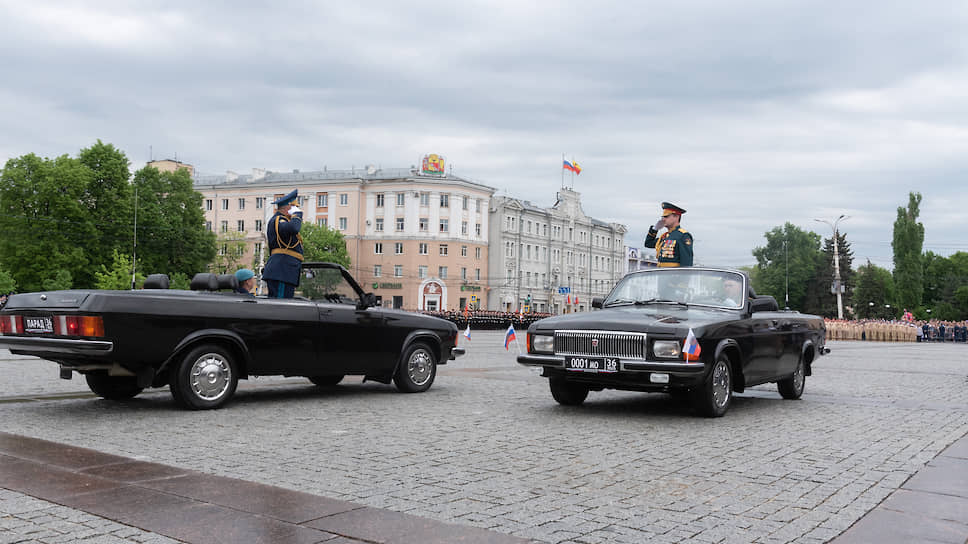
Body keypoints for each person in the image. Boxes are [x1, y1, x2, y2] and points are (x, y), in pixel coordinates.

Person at [262, 189, 304, 298]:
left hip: (285, 271)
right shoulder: (278, 220)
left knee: (284, 307)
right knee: (280, 308)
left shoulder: (282, 220)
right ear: (287, 209)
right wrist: (297, 214)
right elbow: (294, 228)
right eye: (293, 208)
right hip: (282, 270)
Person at [644, 202, 693, 267]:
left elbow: (686, 263)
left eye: (666, 216)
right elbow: (648, 243)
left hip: (674, 276)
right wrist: (655, 229)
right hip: (661, 274)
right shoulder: (665, 236)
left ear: (676, 217)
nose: (663, 219)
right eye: (663, 217)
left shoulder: (683, 235)